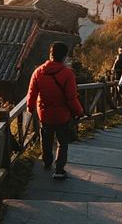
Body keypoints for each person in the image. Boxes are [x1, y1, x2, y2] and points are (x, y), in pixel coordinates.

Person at [27, 41, 84, 180]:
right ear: (64, 56)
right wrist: (79, 111)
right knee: (62, 142)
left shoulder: (38, 72)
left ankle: (47, 162)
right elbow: (71, 98)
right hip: (62, 115)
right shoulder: (67, 74)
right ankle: (59, 169)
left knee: (46, 138)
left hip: (44, 113)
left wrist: (30, 107)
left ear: (50, 54)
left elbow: (32, 93)